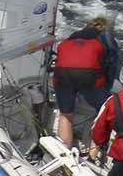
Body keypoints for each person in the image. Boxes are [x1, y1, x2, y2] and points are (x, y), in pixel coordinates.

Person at [50, 16, 119, 148]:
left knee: (66, 115)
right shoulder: (107, 38)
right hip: (88, 76)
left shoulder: (74, 36)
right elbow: (111, 68)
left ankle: (65, 151)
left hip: (62, 75)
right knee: (103, 113)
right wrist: (105, 89)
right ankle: (94, 153)